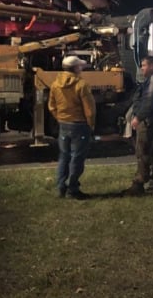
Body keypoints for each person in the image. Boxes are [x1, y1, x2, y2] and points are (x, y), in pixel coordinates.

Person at [48, 55, 96, 200]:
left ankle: (61, 187)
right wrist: (91, 124)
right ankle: (73, 189)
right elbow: (90, 109)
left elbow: (51, 106)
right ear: (75, 68)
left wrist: (60, 118)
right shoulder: (81, 85)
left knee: (64, 156)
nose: (81, 68)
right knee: (77, 158)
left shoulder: (55, 84)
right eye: (80, 66)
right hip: (79, 125)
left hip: (63, 124)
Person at [123, 55, 153, 196]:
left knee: (142, 150)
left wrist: (138, 117)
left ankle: (139, 184)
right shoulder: (151, 80)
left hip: (150, 120)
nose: (142, 68)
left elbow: (149, 101)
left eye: (144, 65)